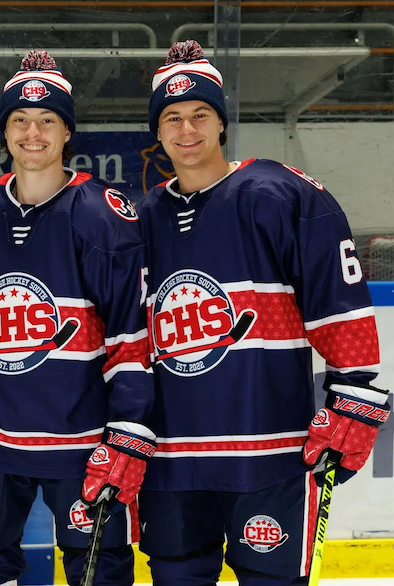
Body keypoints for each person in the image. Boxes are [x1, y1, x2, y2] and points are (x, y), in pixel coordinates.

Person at [137, 40, 389, 586]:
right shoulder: (140, 218)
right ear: (156, 132)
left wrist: (351, 397)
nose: (187, 130)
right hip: (170, 456)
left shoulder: (280, 193)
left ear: (221, 122)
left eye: (200, 115)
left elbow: (338, 303)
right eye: (173, 118)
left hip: (270, 452)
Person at [0, 50, 155, 586]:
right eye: (19, 121)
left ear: (66, 132)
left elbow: (131, 334)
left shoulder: (104, 214)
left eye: (47, 121)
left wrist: (127, 430)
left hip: (80, 439)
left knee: (98, 570)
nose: (33, 133)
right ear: (4, 133)